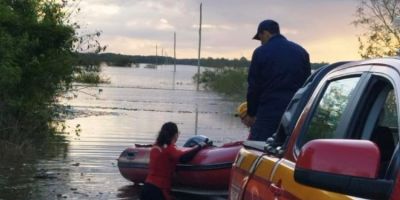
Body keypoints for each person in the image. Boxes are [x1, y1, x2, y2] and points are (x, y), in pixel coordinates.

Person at [242, 19, 311, 141]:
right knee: (286, 149)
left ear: (266, 33)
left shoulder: (260, 52)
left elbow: (254, 87)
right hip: (294, 112)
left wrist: (251, 114)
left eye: (260, 38)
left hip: (268, 112)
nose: (261, 42)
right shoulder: (301, 52)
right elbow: (308, 85)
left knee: (258, 148)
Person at [140, 122, 206, 200]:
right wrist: (200, 146)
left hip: (147, 187)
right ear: (175, 135)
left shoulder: (156, 145)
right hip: (157, 190)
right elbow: (184, 158)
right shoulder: (169, 148)